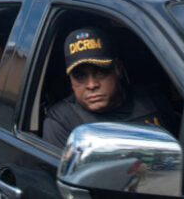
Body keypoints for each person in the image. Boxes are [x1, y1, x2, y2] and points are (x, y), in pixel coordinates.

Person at [42, 27, 175, 148]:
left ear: (118, 69)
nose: (92, 85)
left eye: (100, 72)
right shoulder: (62, 121)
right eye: (80, 76)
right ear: (70, 80)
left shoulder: (151, 101)